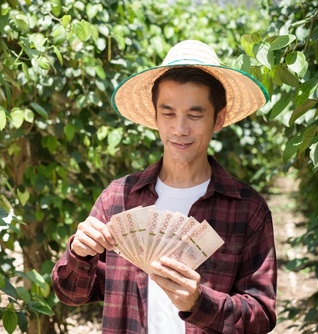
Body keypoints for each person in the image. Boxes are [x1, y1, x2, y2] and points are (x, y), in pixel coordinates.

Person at [52, 40, 277, 334]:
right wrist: (79, 254)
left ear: (218, 119)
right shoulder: (118, 197)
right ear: (156, 117)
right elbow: (71, 294)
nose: (180, 129)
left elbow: (261, 314)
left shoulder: (248, 209)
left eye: (195, 115)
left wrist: (200, 301)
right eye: (168, 113)